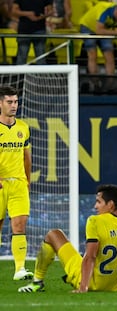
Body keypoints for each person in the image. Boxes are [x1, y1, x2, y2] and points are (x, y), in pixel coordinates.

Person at [18, 184, 117, 293]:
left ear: (110, 205)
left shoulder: (95, 221)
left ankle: (37, 282)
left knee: (53, 234)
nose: (95, 206)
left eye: (98, 202)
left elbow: (90, 257)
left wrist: (83, 287)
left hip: (89, 281)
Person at [0, 86, 33, 281]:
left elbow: (26, 156)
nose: (14, 106)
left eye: (16, 102)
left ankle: (19, 268)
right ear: (0, 104)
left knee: (19, 226)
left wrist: (27, 181)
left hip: (19, 183)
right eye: (10, 102)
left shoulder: (23, 127)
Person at [79, 2, 117, 83]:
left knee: (109, 54)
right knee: (92, 55)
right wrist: (116, 32)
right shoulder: (105, 10)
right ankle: (95, 83)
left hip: (105, 28)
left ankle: (110, 84)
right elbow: (98, 30)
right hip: (88, 27)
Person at [12, 0, 53, 65]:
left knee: (41, 59)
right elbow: (14, 11)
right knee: (21, 59)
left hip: (39, 30)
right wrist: (28, 14)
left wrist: (40, 17)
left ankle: (40, 75)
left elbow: (51, 11)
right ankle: (20, 75)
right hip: (24, 31)